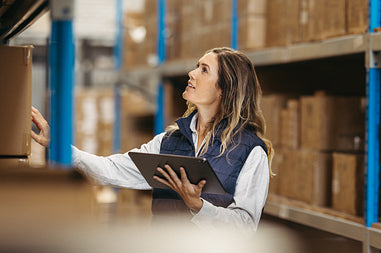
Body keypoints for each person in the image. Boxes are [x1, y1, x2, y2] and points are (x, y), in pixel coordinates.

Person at [31, 47, 274, 233]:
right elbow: (112, 170)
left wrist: (199, 207)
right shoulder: (169, 141)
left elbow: (245, 227)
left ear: (224, 89)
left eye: (204, 70)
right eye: (196, 66)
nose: (191, 73)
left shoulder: (250, 151)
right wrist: (59, 146)